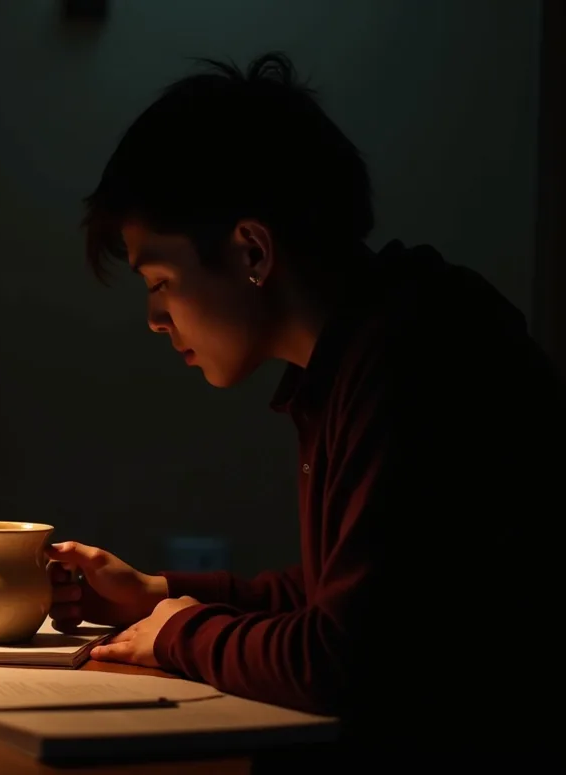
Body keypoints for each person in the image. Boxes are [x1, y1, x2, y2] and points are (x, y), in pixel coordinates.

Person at [49, 52, 564, 759]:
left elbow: (345, 661)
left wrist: (177, 631)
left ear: (251, 251)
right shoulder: (359, 350)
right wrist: (157, 591)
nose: (154, 319)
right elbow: (359, 591)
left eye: (161, 281)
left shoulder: (416, 353)